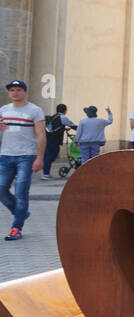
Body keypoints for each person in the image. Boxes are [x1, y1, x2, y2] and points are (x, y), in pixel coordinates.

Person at [0, 80, 46, 241]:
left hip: (26, 156)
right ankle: (22, 213)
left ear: (25, 92)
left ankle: (16, 228)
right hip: (5, 155)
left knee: (21, 192)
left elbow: (41, 135)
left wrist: (40, 158)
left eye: (18, 90)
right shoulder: (4, 110)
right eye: (12, 90)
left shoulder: (34, 110)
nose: (15, 93)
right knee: (1, 189)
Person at [41, 104, 76, 180]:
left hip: (48, 138)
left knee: (48, 156)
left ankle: (46, 173)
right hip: (55, 140)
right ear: (65, 110)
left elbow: (54, 127)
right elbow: (73, 126)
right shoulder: (62, 117)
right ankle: (45, 174)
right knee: (51, 156)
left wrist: (64, 129)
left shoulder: (53, 117)